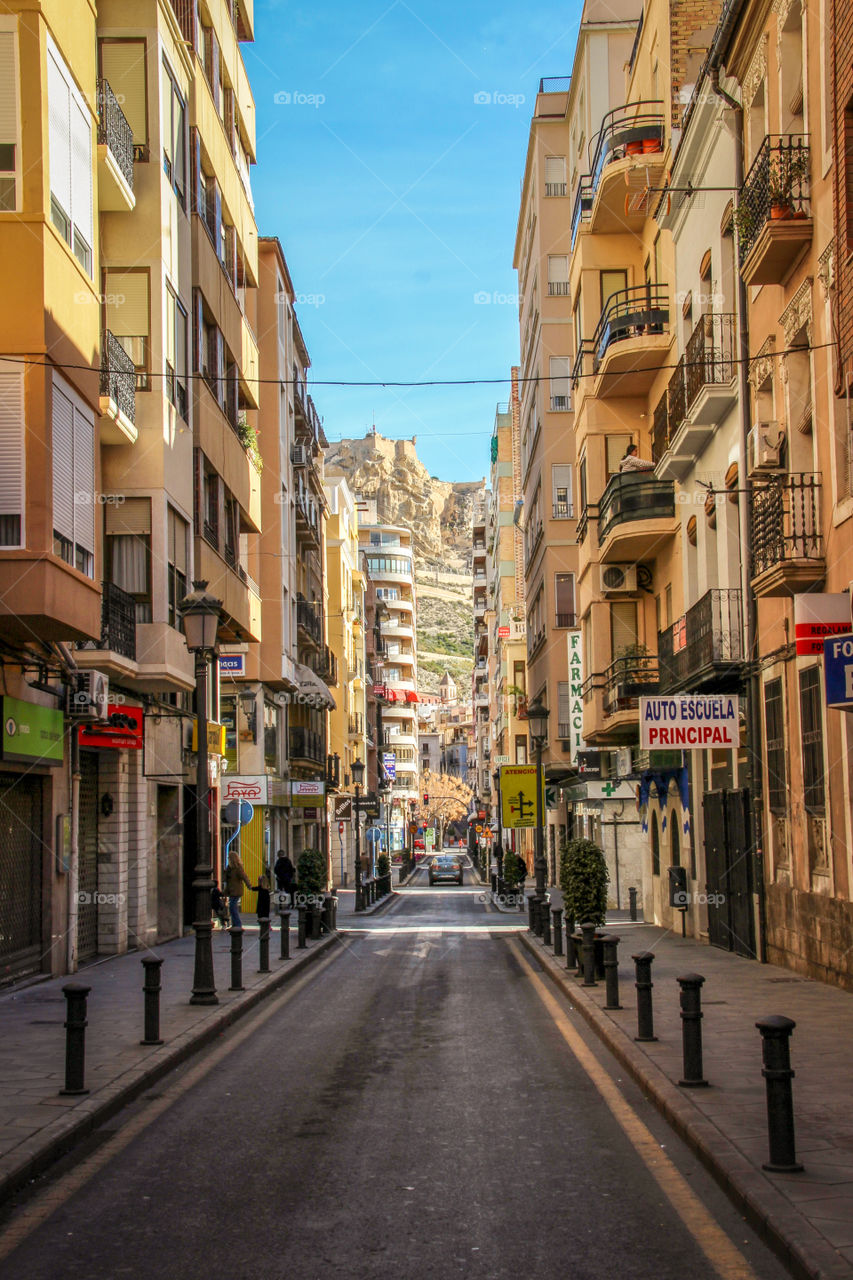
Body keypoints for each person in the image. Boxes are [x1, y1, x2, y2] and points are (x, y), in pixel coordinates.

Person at [225, 850, 253, 929]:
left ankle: (237, 924)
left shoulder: (238, 868)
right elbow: (227, 880)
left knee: (233, 907)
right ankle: (235, 924)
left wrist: (249, 885)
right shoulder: (229, 868)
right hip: (231, 890)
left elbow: (244, 877)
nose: (228, 859)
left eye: (229, 858)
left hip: (236, 890)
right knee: (232, 908)